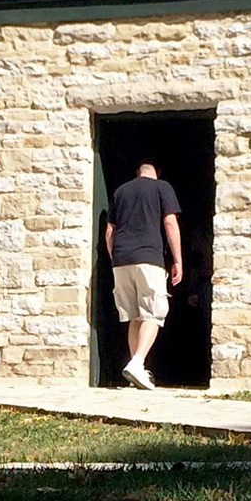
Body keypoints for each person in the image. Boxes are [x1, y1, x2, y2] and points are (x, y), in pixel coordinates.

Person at [105, 159, 182, 389]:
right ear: (156, 172)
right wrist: (177, 259)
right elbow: (170, 223)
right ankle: (138, 363)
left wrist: (115, 258)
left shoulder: (120, 191)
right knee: (154, 313)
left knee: (135, 315)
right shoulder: (162, 187)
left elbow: (110, 231)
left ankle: (136, 371)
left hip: (121, 261)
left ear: (137, 172)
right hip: (149, 259)